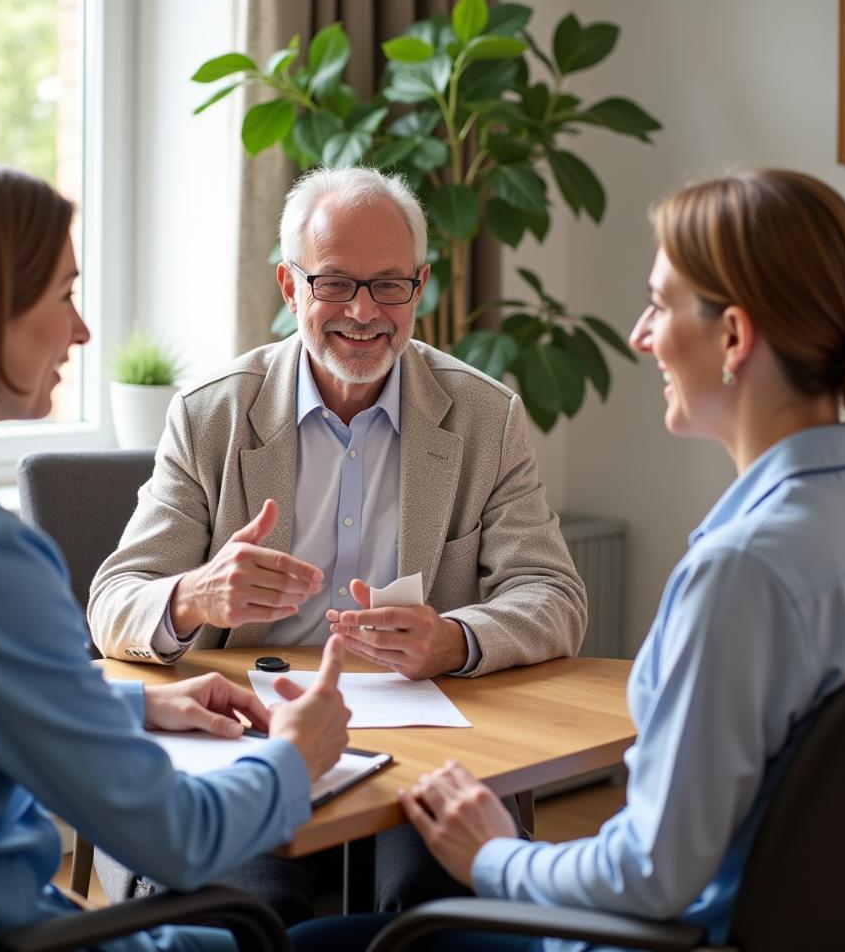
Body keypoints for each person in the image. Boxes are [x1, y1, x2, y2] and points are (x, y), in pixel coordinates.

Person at [288, 167, 845, 951]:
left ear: (732, 337)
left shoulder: (743, 572)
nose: (640, 335)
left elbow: (651, 876)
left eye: (658, 304)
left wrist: (497, 857)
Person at [0, 152, 352, 952]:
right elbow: (177, 839)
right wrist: (293, 757)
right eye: (65, 294)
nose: (82, 328)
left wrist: (136, 704)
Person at [86, 165, 587, 919]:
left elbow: (554, 596)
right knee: (246, 911)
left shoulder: (487, 418)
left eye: (389, 285)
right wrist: (195, 594)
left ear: (420, 287)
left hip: (426, 742)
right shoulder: (211, 415)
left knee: (433, 908)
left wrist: (454, 639)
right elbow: (113, 601)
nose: (363, 311)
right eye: (334, 283)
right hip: (254, 736)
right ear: (291, 288)